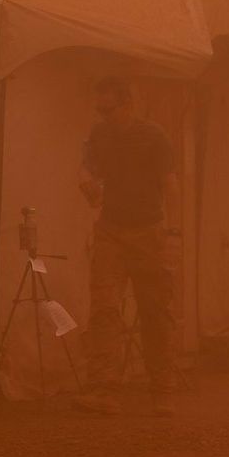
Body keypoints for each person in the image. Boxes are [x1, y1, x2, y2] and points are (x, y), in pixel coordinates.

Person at [73, 75, 182, 417]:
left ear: (128, 104)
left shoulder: (153, 137)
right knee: (104, 308)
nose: (104, 115)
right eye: (100, 109)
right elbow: (87, 169)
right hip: (111, 230)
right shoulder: (100, 134)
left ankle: (162, 391)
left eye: (110, 109)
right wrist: (86, 183)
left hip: (149, 232)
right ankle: (104, 390)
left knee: (154, 311)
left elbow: (170, 186)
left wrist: (173, 234)